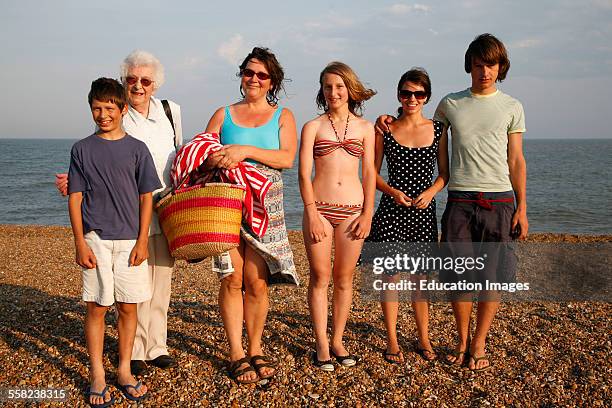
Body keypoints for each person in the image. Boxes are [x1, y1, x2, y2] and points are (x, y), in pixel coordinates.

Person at [377, 33, 528, 372]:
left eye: (490, 65)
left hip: (500, 199)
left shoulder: (513, 106)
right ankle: (461, 342)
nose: (484, 72)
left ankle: (479, 344)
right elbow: (418, 127)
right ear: (469, 67)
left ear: (500, 67)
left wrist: (522, 207)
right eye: (478, 65)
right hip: (459, 201)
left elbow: (516, 160)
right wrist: (385, 118)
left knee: (491, 278)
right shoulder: (449, 103)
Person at [56, 50, 183, 375]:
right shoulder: (117, 114)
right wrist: (74, 182)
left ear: (155, 84)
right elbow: (100, 155)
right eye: (132, 80)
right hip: (126, 214)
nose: (138, 85)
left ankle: (157, 345)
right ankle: (135, 351)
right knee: (134, 284)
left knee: (160, 282)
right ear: (124, 85)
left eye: (145, 80)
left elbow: (180, 155)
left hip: (164, 207)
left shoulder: (171, 112)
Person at [204, 47, 298, 384]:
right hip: (227, 206)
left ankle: (256, 348)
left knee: (258, 283)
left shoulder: (282, 115)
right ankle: (235, 353)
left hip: (266, 209)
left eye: (261, 75)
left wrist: (244, 150)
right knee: (231, 279)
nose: (254, 79)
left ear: (271, 80)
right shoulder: (223, 114)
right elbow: (202, 155)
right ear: (241, 76)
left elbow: (287, 158)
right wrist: (217, 159)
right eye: (249, 72)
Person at [68, 78, 160, 406]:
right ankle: (97, 373)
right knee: (97, 307)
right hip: (95, 239)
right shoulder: (81, 149)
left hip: (130, 241)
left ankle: (123, 370)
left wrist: (142, 241)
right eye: (97, 108)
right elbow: (75, 198)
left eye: (109, 108)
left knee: (128, 307)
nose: (103, 114)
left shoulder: (137, 149)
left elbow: (146, 196)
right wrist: (80, 243)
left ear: (122, 109)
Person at [299, 62, 376, 371]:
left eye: (339, 86)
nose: (333, 92)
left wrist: (368, 212)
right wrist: (312, 213)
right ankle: (320, 343)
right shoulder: (313, 127)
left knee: (344, 279)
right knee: (320, 277)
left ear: (350, 89)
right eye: (328, 86)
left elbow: (370, 172)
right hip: (319, 208)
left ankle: (338, 340)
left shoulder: (365, 128)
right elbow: (304, 174)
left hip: (352, 212)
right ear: (322, 90)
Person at [368, 68, 449, 364]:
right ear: (398, 95)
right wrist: (392, 192)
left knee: (419, 279)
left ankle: (423, 338)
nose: (412, 99)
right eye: (406, 93)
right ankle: (391, 339)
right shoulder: (385, 129)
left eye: (418, 93)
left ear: (426, 96)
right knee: (390, 277)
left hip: (423, 212)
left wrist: (432, 192)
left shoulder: (439, 129)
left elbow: (445, 173)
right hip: (391, 211)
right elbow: (372, 175)